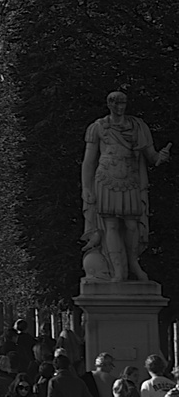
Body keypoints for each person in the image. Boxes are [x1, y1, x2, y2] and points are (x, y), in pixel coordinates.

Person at [81, 91, 171, 282]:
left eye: (123, 103)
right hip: (106, 179)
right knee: (111, 225)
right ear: (109, 105)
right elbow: (88, 162)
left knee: (132, 225)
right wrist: (86, 188)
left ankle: (133, 262)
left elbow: (151, 156)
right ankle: (119, 271)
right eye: (116, 104)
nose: (120, 107)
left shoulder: (137, 127)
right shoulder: (98, 127)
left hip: (130, 177)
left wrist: (159, 158)